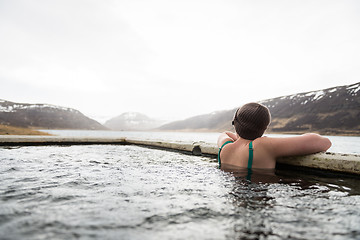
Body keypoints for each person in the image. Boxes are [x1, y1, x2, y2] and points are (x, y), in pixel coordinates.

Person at [217, 102, 332, 169]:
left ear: (235, 124)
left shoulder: (225, 146)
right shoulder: (261, 146)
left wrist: (240, 139)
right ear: (264, 128)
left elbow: (225, 134)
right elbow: (324, 142)